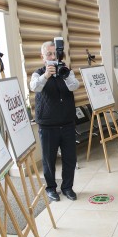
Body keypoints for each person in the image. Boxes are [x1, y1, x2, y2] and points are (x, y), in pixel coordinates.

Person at [29, 40, 80, 202]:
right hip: (48, 125)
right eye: (49, 54)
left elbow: (74, 86)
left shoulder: (66, 71)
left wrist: (64, 75)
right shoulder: (38, 73)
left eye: (55, 53)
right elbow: (34, 87)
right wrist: (46, 75)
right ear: (42, 57)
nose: (53, 57)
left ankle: (67, 187)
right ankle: (51, 188)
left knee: (70, 158)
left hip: (67, 123)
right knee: (49, 159)